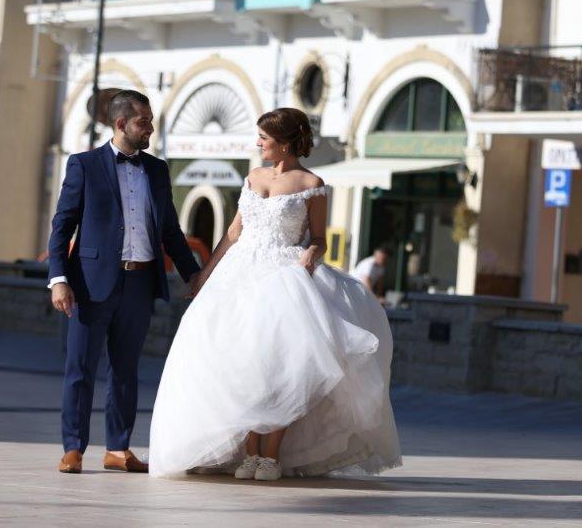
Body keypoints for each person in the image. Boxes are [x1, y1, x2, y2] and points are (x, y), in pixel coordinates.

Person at [149, 107, 400, 481]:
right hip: (238, 276)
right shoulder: (252, 177)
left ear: (283, 144)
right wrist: (205, 273)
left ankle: (271, 455)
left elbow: (318, 238)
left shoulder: (310, 182)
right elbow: (234, 233)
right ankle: (247, 453)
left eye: (264, 138)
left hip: (285, 275)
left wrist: (311, 256)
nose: (258, 143)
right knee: (240, 364)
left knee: (282, 367)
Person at [47, 90, 201, 474]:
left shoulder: (157, 170)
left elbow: (170, 230)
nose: (150, 128)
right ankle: (73, 448)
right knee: (80, 367)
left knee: (126, 369)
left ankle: (118, 448)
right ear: (121, 124)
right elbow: (62, 225)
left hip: (140, 282)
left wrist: (195, 275)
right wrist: (58, 279)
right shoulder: (84, 165)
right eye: (143, 121)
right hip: (89, 283)